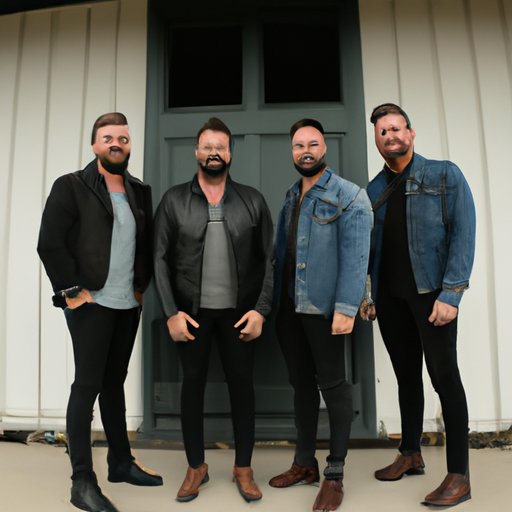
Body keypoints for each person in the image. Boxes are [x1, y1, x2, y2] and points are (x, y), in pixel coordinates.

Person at [37, 112, 162, 512]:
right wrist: (72, 291)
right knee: (88, 385)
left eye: (123, 138)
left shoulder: (139, 191)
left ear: (129, 145)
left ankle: (121, 462)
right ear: (95, 145)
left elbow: (145, 245)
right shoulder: (71, 186)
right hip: (91, 302)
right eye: (108, 137)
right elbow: (50, 242)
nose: (116, 144)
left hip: (127, 304)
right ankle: (82, 482)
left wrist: (140, 287)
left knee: (114, 382)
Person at [153, 117, 273, 503]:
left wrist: (261, 310)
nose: (214, 153)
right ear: (196, 152)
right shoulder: (174, 200)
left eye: (220, 147)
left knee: (243, 388)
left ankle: (243, 468)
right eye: (207, 146)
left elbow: (270, 260)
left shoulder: (252, 200)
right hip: (192, 315)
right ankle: (195, 467)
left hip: (240, 314)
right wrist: (171, 312)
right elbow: (158, 259)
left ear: (230, 154)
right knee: (192, 388)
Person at [362, 103, 476, 507]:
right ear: (377, 141)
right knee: (406, 376)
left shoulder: (444, 174)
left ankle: (459, 476)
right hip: (390, 299)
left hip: (432, 296)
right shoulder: (374, 189)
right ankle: (410, 453)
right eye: (382, 132)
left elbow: (463, 233)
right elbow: (370, 248)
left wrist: (452, 294)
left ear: (410, 134)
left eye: (396, 128)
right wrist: (369, 294)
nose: (390, 136)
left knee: (445, 378)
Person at [269, 119, 373, 511]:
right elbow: (281, 254)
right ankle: (304, 463)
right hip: (289, 309)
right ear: (292, 151)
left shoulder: (349, 195)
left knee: (333, 387)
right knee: (301, 386)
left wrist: (346, 307)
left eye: (312, 144)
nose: (305, 151)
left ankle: (334, 474)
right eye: (299, 145)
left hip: (324, 310)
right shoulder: (291, 195)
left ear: (324, 148)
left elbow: (357, 257)